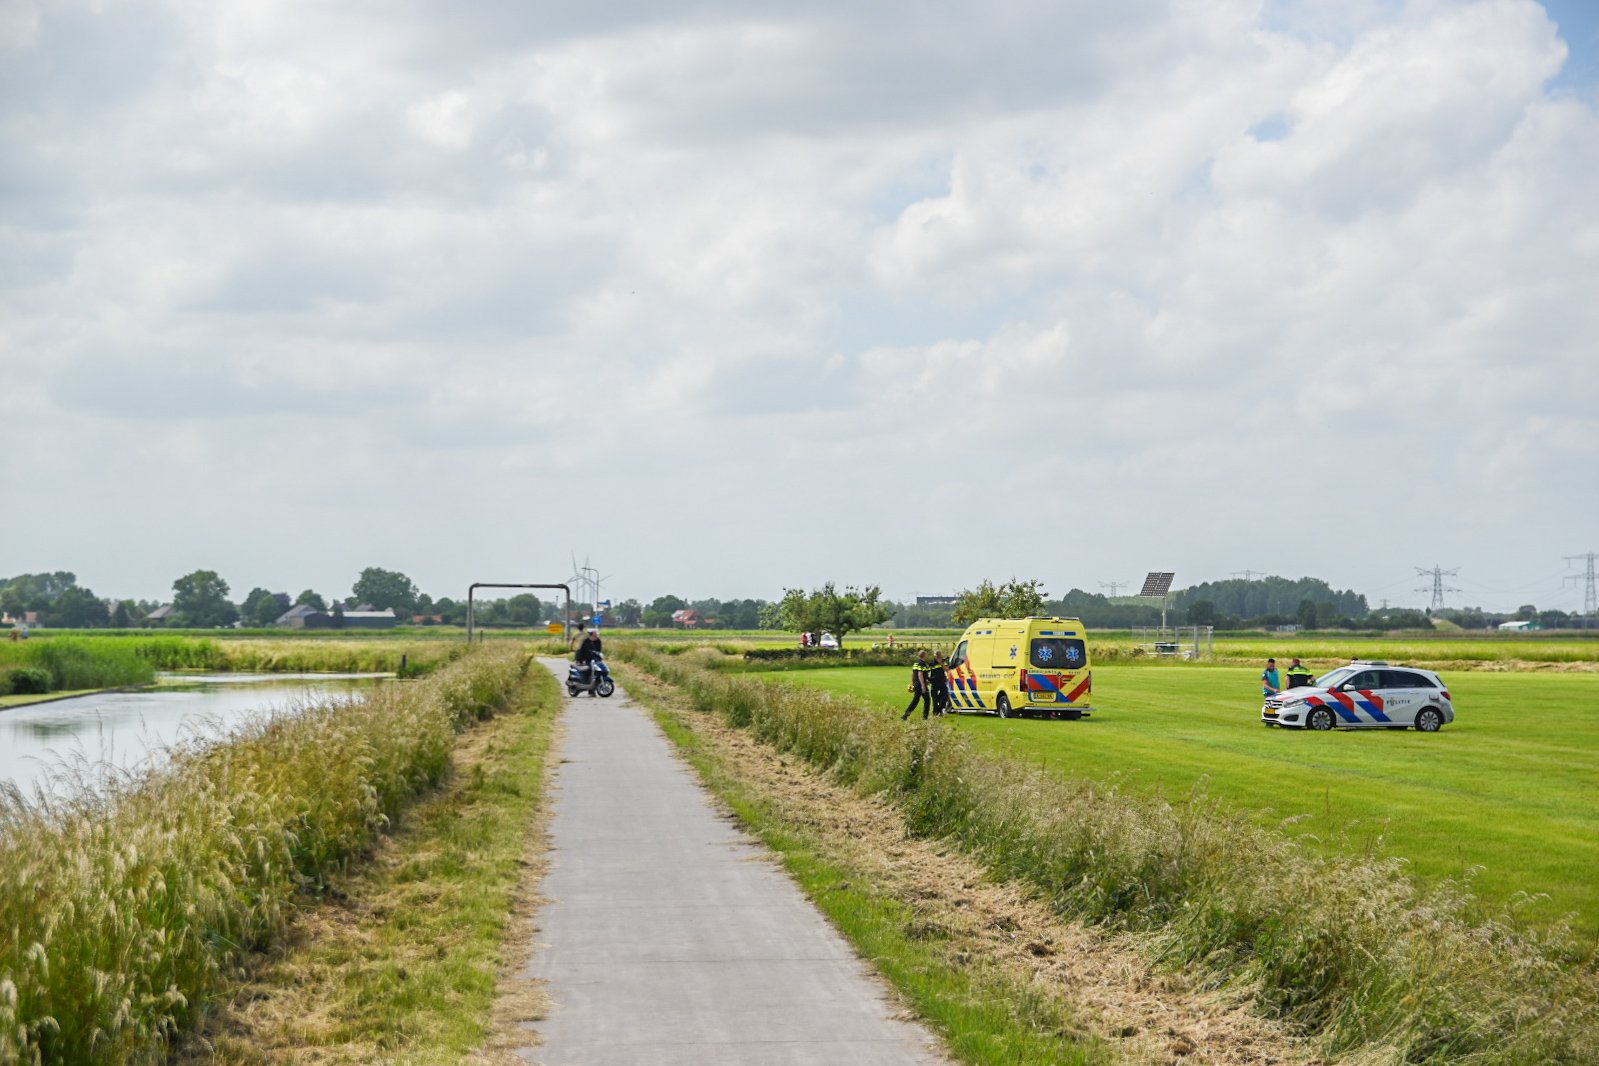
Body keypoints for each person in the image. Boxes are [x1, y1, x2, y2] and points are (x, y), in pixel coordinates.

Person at [901, 650, 933, 721]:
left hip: (916, 683)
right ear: (924, 656)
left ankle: (905, 715)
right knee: (927, 700)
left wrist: (913, 682)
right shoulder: (922, 664)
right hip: (921, 684)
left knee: (915, 700)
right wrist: (923, 686)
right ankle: (925, 717)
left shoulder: (915, 663)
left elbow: (913, 673)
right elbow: (920, 674)